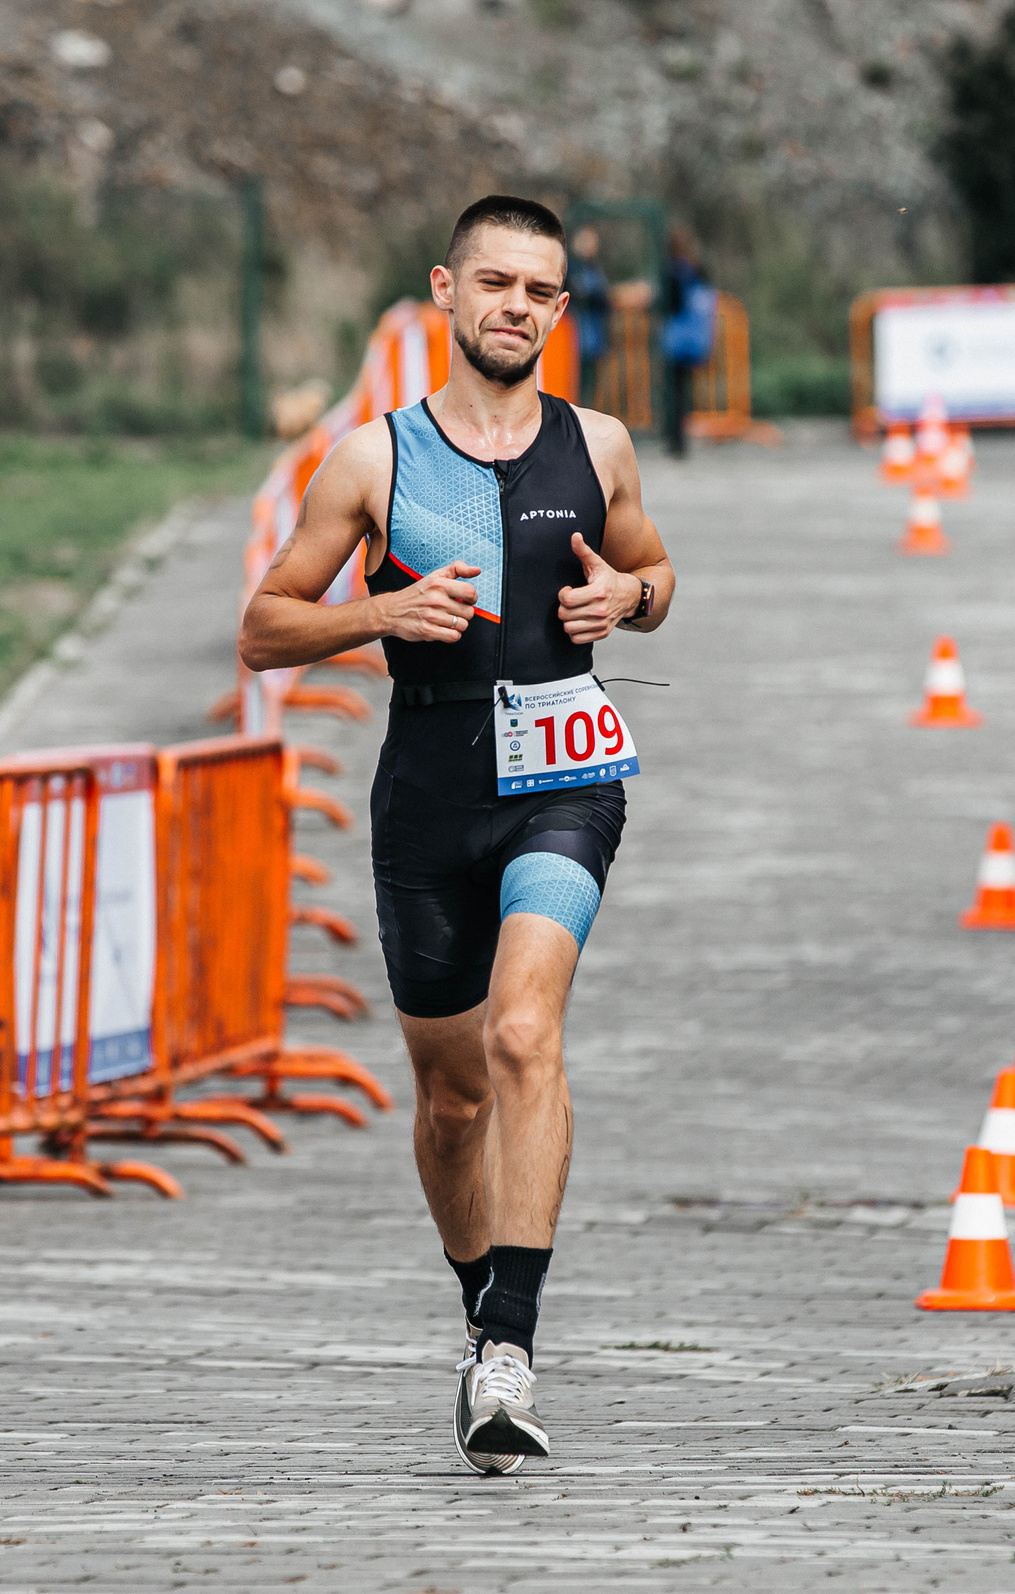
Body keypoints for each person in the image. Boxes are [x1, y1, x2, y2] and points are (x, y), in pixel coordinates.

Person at [237, 195, 677, 1476]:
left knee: (523, 1031)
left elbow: (654, 581)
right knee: (448, 1095)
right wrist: (382, 616)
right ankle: (476, 1295)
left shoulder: (598, 446)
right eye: (494, 284)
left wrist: (628, 594)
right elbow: (265, 628)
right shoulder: (371, 459)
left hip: (565, 783)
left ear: (558, 310)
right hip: (427, 795)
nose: (517, 309)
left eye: (540, 292)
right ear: (445, 291)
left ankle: (510, 1351)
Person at [658, 228, 708, 459]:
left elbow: (672, 304)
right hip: (695, 340)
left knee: (674, 392)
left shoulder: (674, 272)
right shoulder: (697, 271)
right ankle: (679, 439)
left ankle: (676, 441)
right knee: (682, 392)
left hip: (677, 341)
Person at [567, 225, 613, 373]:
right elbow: (579, 292)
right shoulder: (570, 267)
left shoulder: (594, 268)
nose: (591, 246)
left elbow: (603, 298)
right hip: (573, 335)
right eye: (586, 241)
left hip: (594, 336)